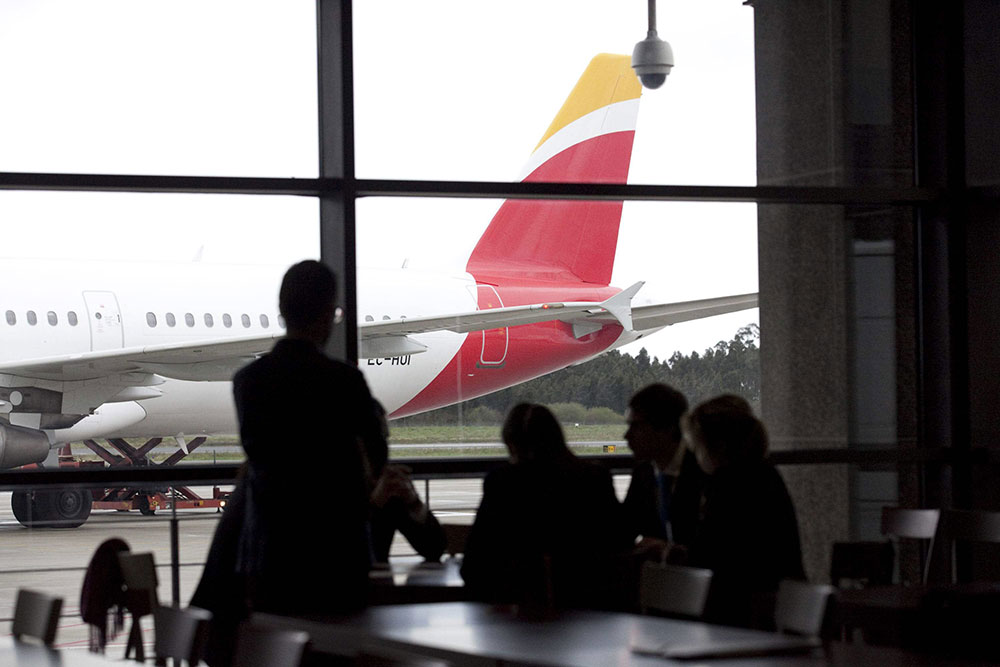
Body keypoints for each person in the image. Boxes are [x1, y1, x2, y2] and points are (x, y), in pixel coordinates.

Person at [231, 260, 388, 616]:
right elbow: (377, 458)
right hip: (336, 554)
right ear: (330, 315)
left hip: (267, 553)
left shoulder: (249, 381)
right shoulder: (345, 381)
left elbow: (259, 458)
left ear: (282, 311)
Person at [460, 403, 629, 610]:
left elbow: (474, 566)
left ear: (512, 444)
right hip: (591, 605)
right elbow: (620, 544)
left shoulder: (503, 482)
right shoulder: (596, 477)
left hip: (520, 610)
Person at [682, 395, 805, 629]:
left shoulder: (724, 485)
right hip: (781, 606)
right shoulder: (766, 475)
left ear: (715, 447)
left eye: (696, 448)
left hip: (739, 611)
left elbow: (706, 556)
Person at [621, 383, 708, 559]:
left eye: (636, 426)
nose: (626, 436)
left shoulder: (705, 470)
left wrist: (669, 551)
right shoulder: (644, 470)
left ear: (667, 428)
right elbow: (625, 528)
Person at [368, 400, 446, 563]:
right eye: (376, 437)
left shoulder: (386, 486)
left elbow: (434, 548)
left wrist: (413, 502)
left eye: (384, 438)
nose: (383, 446)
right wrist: (374, 507)